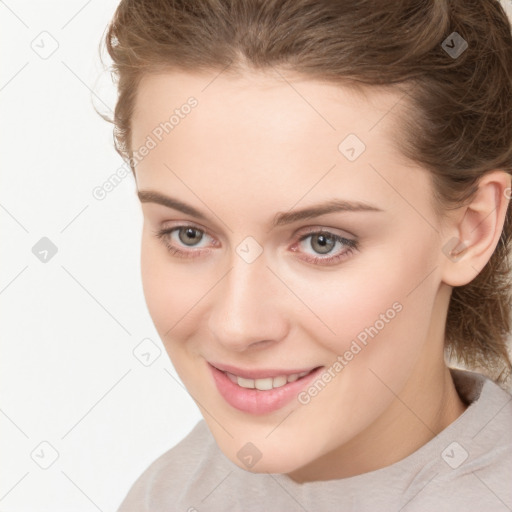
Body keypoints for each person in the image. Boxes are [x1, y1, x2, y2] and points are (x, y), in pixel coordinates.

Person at [99, 0, 512, 510]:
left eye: (323, 242)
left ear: (471, 231)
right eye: (188, 234)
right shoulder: (170, 493)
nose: (237, 326)